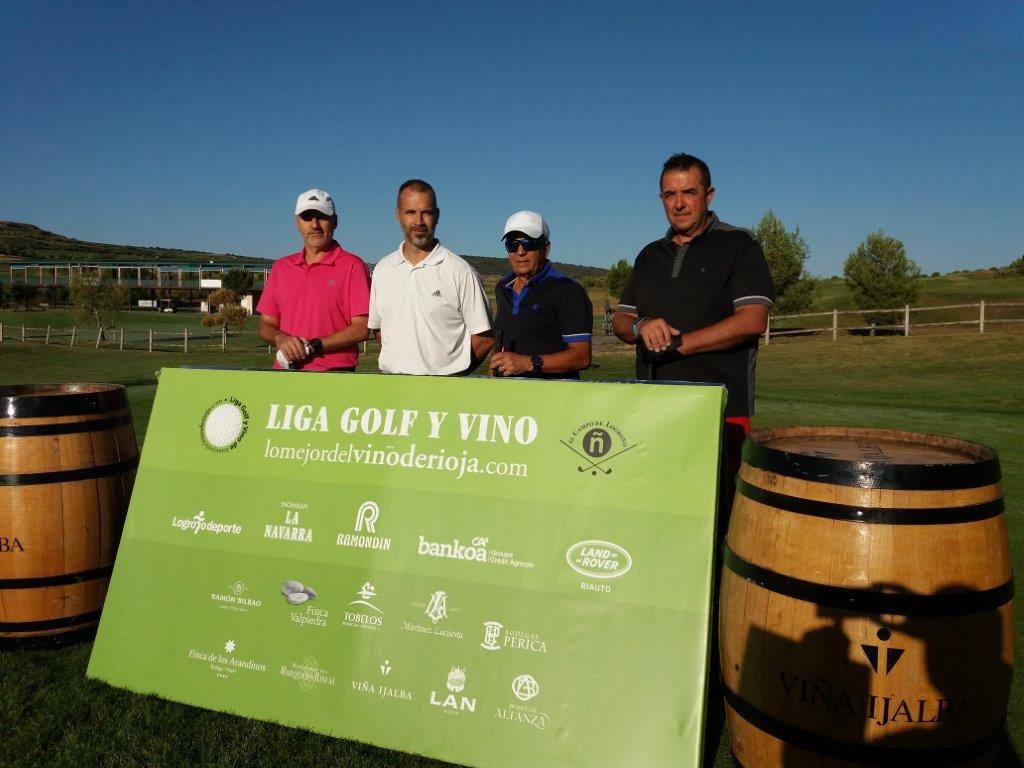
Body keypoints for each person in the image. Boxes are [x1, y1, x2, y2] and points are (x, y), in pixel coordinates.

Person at [612, 152, 774, 767]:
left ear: (708, 193)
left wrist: (679, 342)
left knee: (713, 544)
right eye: (668, 195)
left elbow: (751, 319)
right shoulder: (651, 255)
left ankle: (711, 672)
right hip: (653, 419)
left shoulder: (739, 247)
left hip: (718, 411)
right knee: (655, 541)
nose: (679, 203)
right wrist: (644, 324)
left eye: (689, 193)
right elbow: (623, 318)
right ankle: (652, 657)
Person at [368, 179, 493, 375]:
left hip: (442, 396)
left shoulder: (460, 271)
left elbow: (484, 338)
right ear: (398, 215)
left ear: (437, 216)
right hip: (392, 390)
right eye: (410, 212)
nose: (418, 221)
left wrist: (452, 376)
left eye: (426, 212)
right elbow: (380, 331)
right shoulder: (383, 270)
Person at [257, 188, 370, 371]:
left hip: (334, 374)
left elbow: (361, 328)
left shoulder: (353, 266)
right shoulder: (281, 267)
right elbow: (266, 325)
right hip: (285, 371)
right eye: (307, 217)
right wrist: (281, 338)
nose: (314, 224)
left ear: (335, 221)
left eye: (322, 217)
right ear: (297, 223)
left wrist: (314, 346)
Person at [489, 211, 592, 379]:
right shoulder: (502, 288)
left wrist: (527, 363)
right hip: (507, 398)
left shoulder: (567, 290)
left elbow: (582, 357)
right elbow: (499, 351)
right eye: (512, 245)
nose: (520, 251)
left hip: (553, 399)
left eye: (529, 243)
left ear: (546, 248)